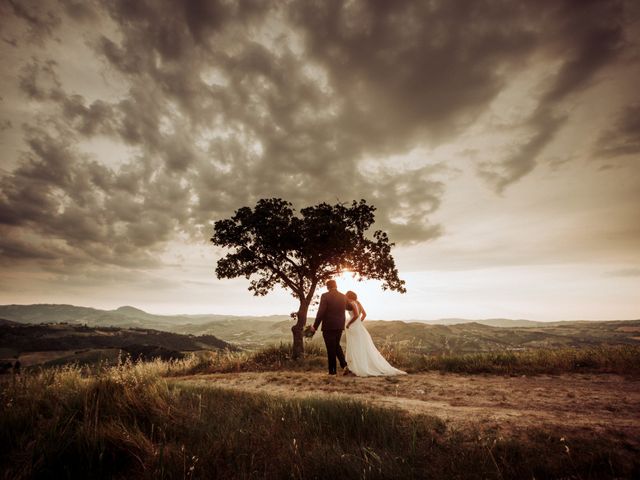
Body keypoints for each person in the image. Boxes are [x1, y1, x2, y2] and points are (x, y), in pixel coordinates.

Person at [344, 290, 406, 377]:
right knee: (361, 346)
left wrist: (349, 324)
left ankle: (357, 367)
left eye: (346, 296)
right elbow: (364, 314)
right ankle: (357, 366)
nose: (345, 297)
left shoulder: (352, 303)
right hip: (358, 326)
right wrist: (358, 323)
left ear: (348, 296)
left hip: (354, 326)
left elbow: (356, 315)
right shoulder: (358, 303)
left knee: (355, 346)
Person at [310, 279, 348, 375]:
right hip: (340, 325)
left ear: (327, 287)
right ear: (336, 285)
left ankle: (332, 372)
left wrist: (315, 326)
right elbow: (349, 307)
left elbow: (321, 312)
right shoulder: (343, 296)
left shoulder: (325, 296)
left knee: (331, 348)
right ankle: (345, 366)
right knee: (336, 346)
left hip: (329, 326)